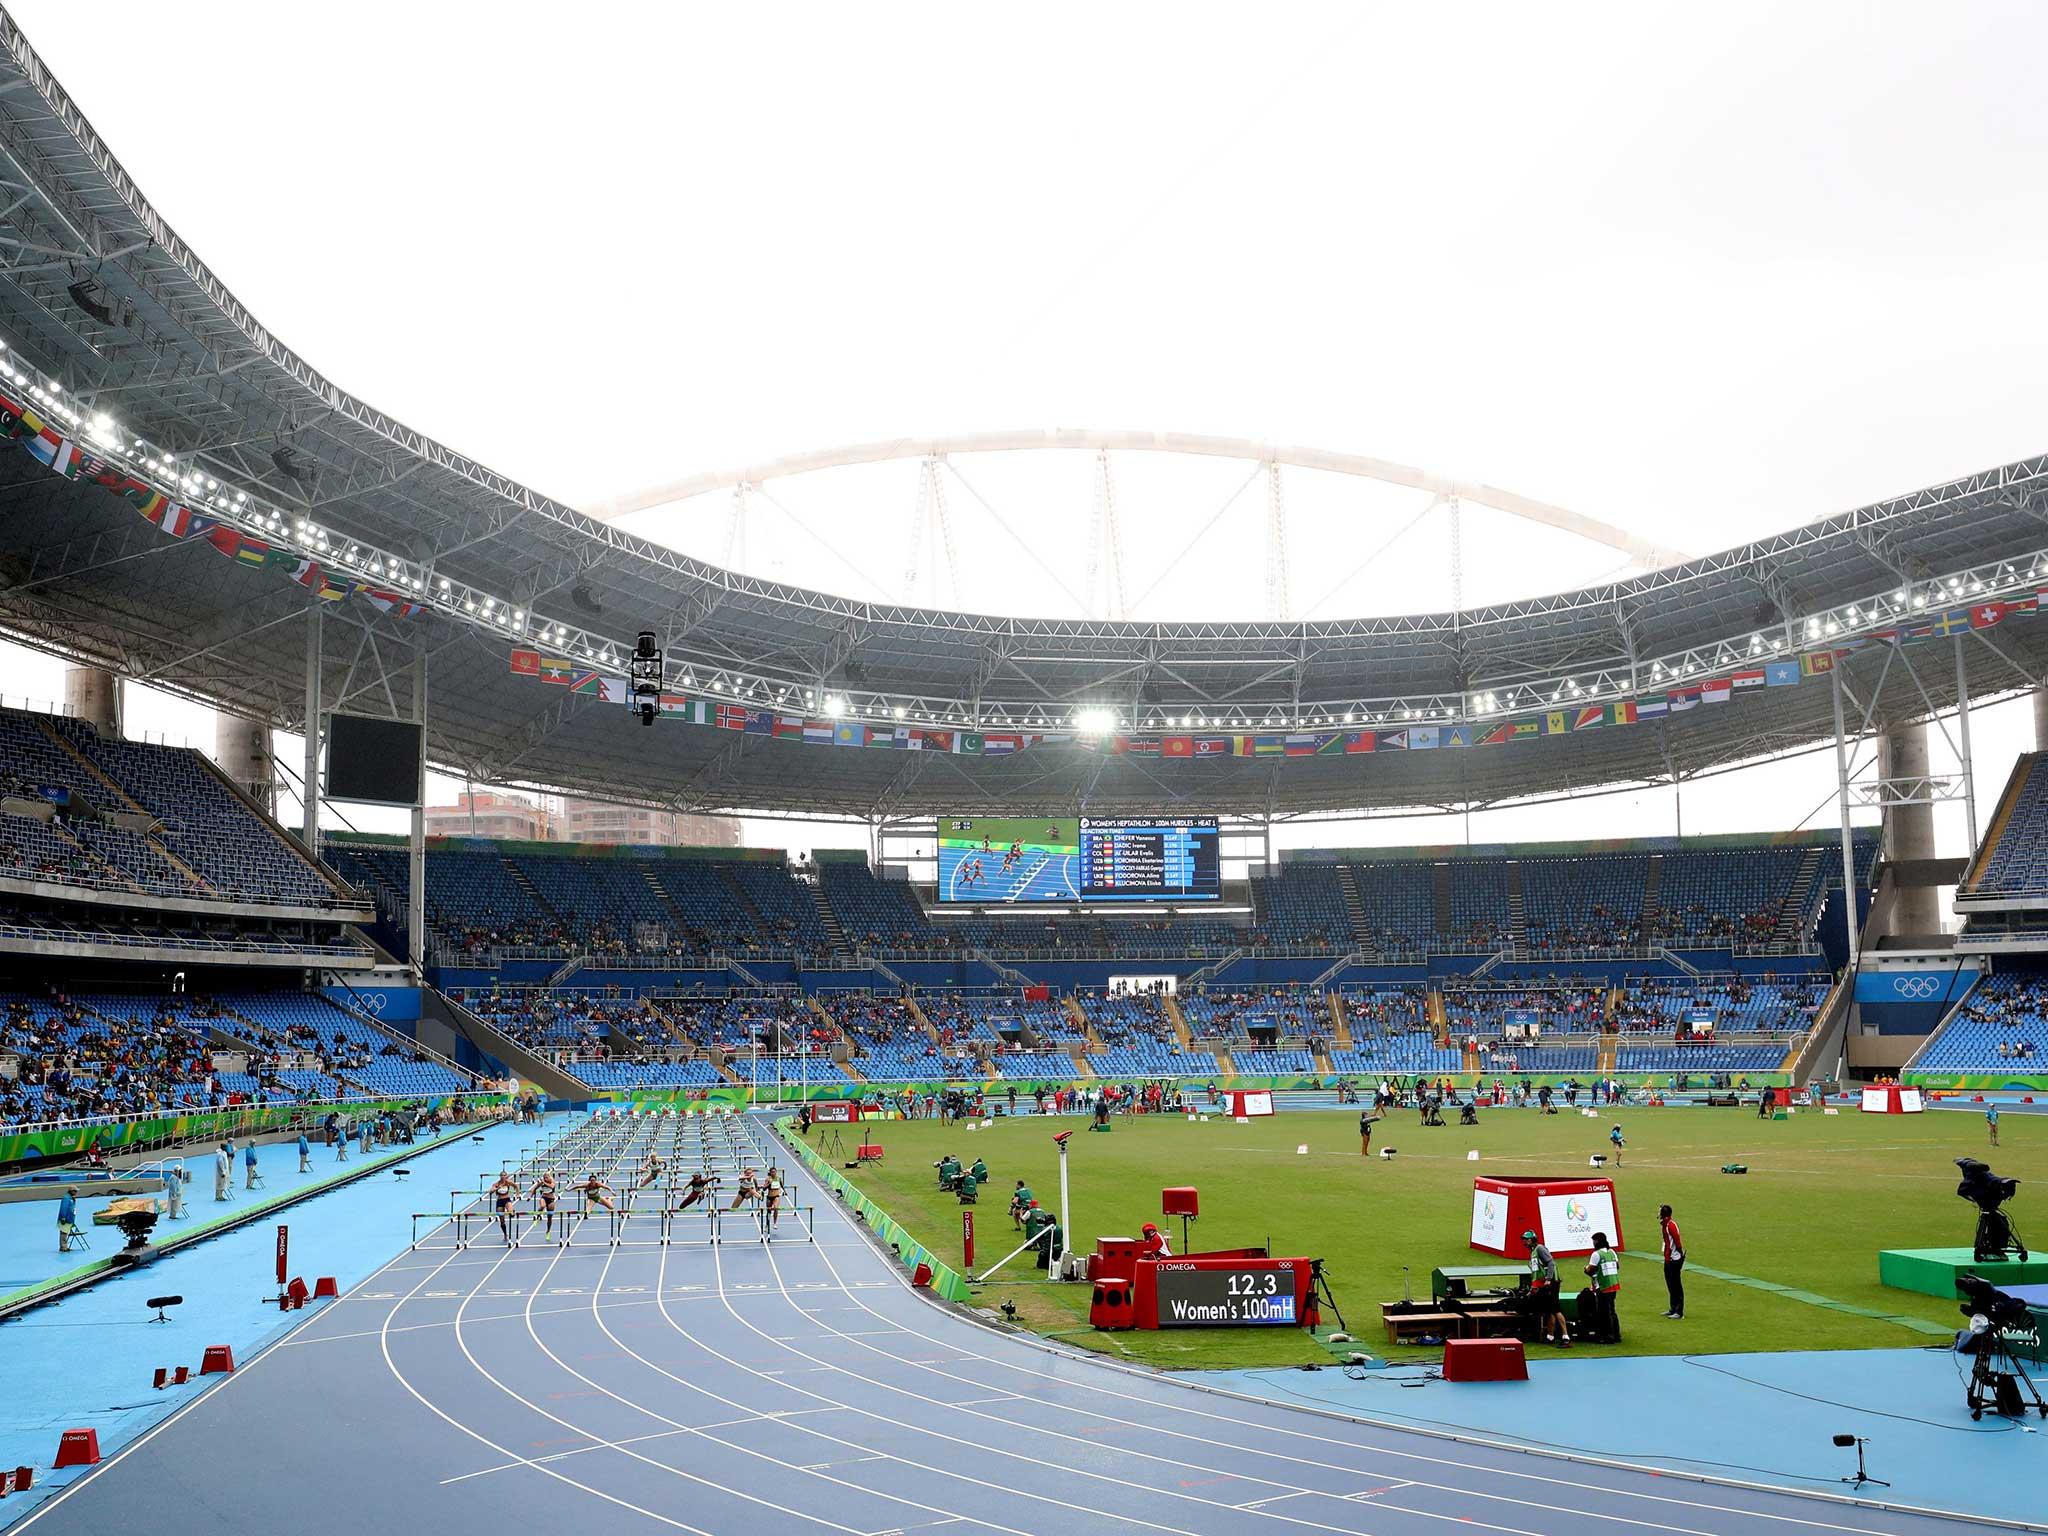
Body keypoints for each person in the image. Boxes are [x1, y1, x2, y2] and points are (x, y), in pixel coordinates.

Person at [1523, 1229, 1569, 1347]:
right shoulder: (1533, 1251)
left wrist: (1548, 1279)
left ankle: (1565, 1336)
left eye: (1526, 1240)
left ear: (1531, 1240)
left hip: (1550, 1283)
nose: (1524, 1242)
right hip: (1543, 1284)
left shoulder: (1540, 1249)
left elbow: (1550, 1263)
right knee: (1549, 1310)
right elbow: (1536, 1272)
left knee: (1555, 1308)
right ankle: (1550, 1336)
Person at [1585, 1232, 1622, 1343]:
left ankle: (1607, 1336)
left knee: (1604, 1312)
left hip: (1603, 1285)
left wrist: (1586, 1269)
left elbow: (1590, 1270)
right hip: (1614, 1284)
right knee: (1612, 1310)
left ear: (1597, 1241)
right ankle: (1616, 1335)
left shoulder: (1596, 1254)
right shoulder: (1612, 1252)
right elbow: (1617, 1266)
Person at [1658, 1203, 1685, 1320]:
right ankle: (1673, 1308)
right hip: (1668, 1258)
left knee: (1676, 1285)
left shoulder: (1671, 1225)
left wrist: (1678, 1255)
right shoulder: (1665, 1225)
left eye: (1659, 1212)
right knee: (1670, 1284)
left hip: (1674, 1259)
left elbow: (1677, 1242)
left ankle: (1679, 1312)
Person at [491, 1170, 519, 1244]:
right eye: (502, 1175)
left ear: (506, 1176)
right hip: (500, 1201)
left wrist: (517, 1194)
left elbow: (516, 1186)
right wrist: (497, 1188)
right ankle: (505, 1234)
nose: (503, 1177)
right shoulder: (496, 1184)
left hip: (507, 1200)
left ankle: (512, 1211)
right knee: (502, 1221)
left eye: (504, 1175)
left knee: (511, 1214)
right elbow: (491, 1191)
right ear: (500, 1176)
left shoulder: (508, 1182)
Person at [531, 1169, 560, 1236]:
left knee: (549, 1217)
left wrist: (544, 1182)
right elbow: (535, 1188)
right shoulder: (542, 1182)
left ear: (550, 1177)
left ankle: (548, 1231)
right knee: (542, 1206)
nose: (545, 1179)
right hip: (543, 1197)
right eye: (544, 1178)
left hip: (551, 1200)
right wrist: (530, 1196)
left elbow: (552, 1186)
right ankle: (537, 1218)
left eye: (547, 1177)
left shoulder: (552, 1181)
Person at [57, 1186, 79, 1252]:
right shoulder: (66, 1198)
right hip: (65, 1219)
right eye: (75, 1191)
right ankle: (63, 1247)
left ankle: (65, 1246)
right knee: (63, 1233)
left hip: (69, 1218)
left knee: (65, 1233)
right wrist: (63, 1217)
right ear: (71, 1191)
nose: (76, 1192)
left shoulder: (71, 1198)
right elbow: (63, 1208)